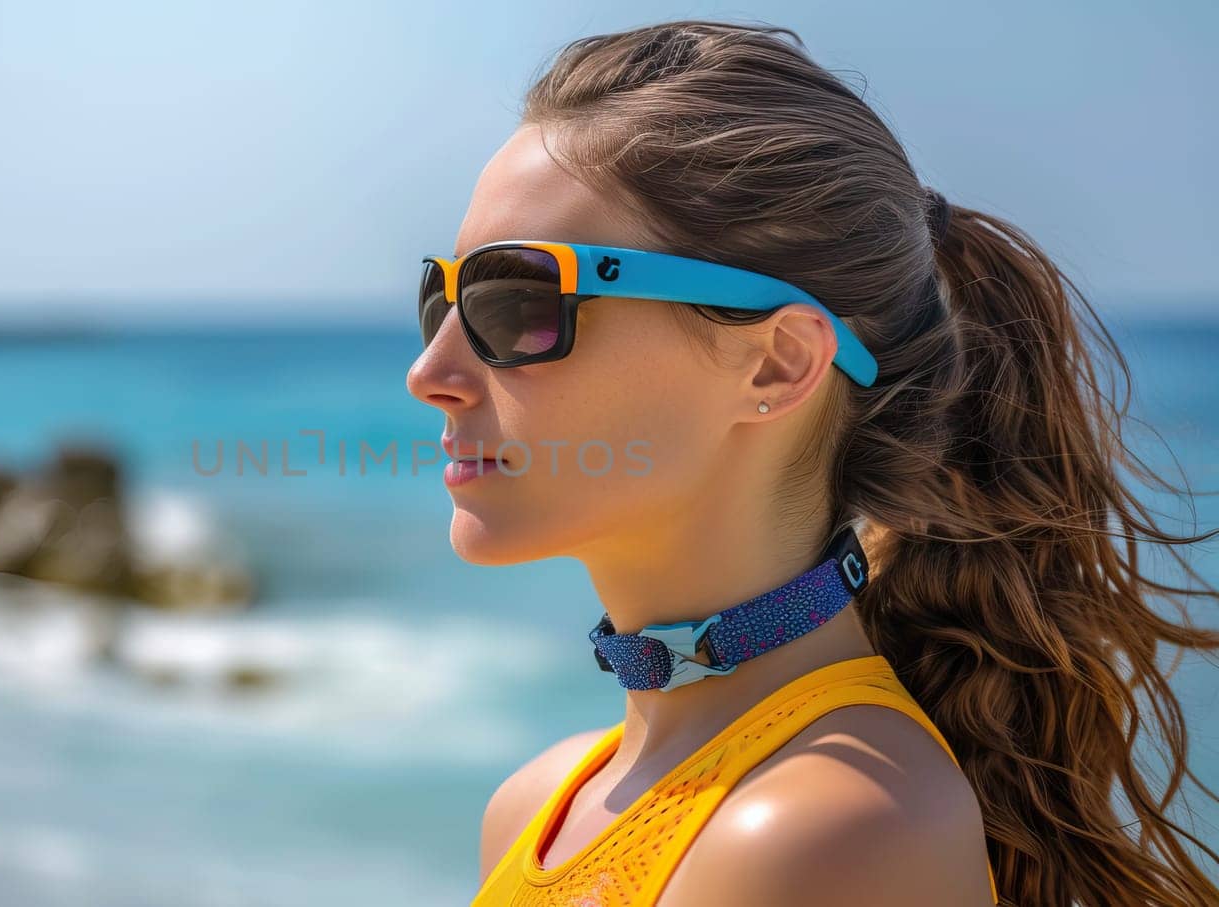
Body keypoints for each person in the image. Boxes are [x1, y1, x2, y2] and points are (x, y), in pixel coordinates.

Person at [406, 19, 1219, 907]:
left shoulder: (828, 833)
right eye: (440, 297)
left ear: (777, 362)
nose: (431, 372)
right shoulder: (535, 807)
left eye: (515, 300)